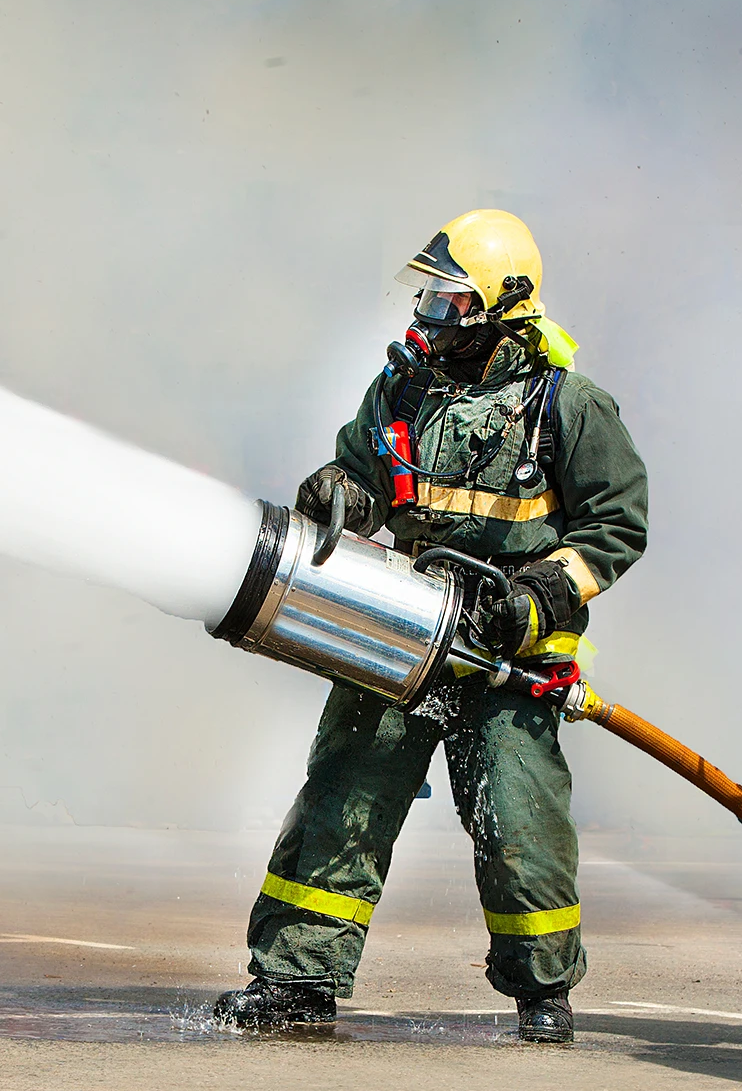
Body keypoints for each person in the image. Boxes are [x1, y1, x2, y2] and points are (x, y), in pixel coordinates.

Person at [213, 210, 649, 1042]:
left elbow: (617, 525)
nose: (428, 317)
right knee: (344, 798)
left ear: (502, 307)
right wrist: (339, 489)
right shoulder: (405, 388)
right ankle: (296, 980)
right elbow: (367, 474)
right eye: (427, 298)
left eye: (448, 303)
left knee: (520, 825)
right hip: (406, 632)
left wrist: (539, 599)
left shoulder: (569, 404)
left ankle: (543, 993)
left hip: (504, 657)